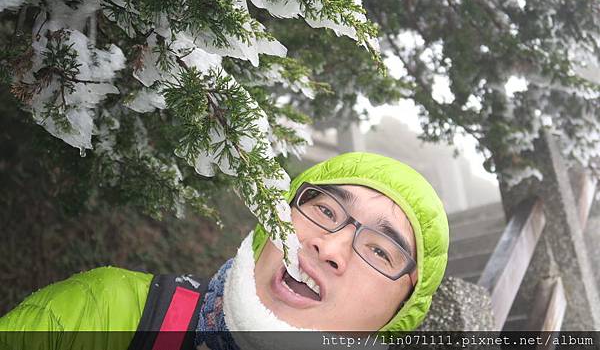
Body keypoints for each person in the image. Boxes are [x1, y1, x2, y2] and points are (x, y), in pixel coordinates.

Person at [0, 152, 449, 349]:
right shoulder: (107, 312)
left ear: (398, 315)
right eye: (326, 210)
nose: (329, 245)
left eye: (380, 250)